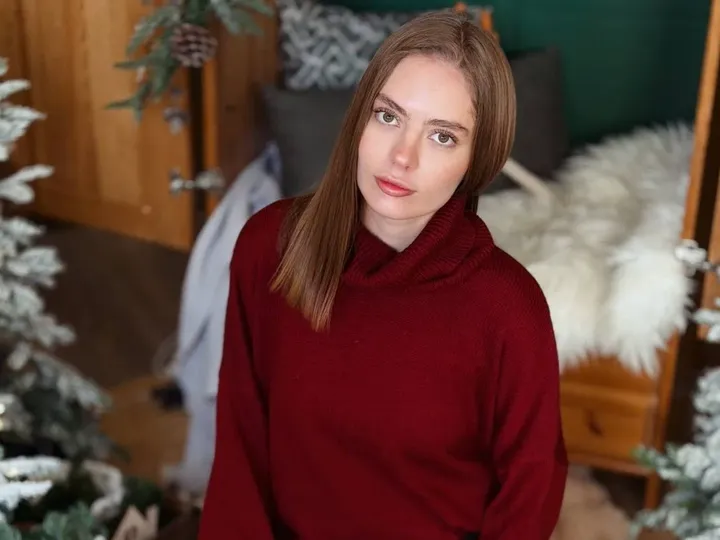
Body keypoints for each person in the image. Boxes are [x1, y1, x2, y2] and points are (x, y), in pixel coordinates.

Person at [198, 9, 567, 540]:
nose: (402, 157)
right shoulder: (269, 247)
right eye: (389, 117)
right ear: (360, 119)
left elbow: (529, 493)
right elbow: (241, 437)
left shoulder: (508, 308)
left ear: (477, 158)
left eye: (442, 137)